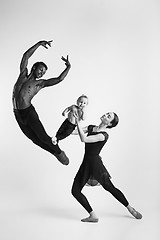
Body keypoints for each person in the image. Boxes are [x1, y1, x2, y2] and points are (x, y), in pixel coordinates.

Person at [71, 112, 142, 222]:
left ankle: (131, 209)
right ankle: (93, 215)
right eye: (107, 114)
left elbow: (84, 139)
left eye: (108, 117)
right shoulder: (91, 128)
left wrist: (78, 122)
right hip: (86, 163)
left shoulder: (103, 135)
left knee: (110, 188)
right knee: (75, 191)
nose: (105, 115)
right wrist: (69, 123)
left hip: (96, 165)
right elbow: (75, 132)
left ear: (109, 124)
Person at [12, 40, 71, 165]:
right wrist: (39, 44)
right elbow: (26, 55)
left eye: (44, 72)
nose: (42, 73)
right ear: (34, 67)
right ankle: (54, 152)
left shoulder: (40, 83)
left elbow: (59, 79)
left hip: (29, 113)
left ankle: (59, 152)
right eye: (41, 70)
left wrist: (68, 67)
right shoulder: (23, 74)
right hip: (17, 114)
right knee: (35, 140)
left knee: (43, 137)